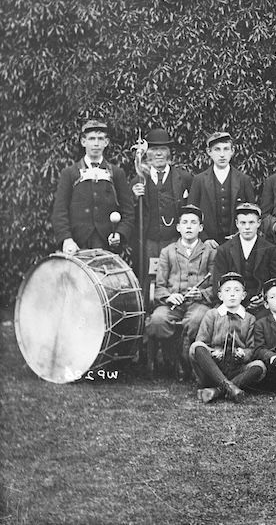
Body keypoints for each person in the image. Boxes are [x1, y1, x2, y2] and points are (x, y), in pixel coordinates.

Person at [148, 204, 216, 378]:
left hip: (198, 303)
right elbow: (160, 285)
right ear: (178, 227)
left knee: (196, 320)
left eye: (193, 223)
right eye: (184, 222)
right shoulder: (167, 252)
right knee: (157, 320)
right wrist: (170, 296)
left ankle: (189, 361)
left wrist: (201, 294)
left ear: (200, 228)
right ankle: (172, 358)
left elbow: (216, 286)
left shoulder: (210, 252)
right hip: (173, 304)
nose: (188, 226)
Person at [52, 120, 135, 254]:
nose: (96, 143)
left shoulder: (116, 174)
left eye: (100, 139)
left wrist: (119, 234)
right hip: (77, 244)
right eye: (91, 139)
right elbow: (59, 212)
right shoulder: (69, 173)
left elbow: (128, 212)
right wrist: (66, 239)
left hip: (106, 244)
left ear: (106, 142)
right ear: (83, 142)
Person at [130, 128, 194, 299]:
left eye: (163, 149)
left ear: (169, 153)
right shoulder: (138, 179)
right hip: (149, 241)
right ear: (147, 153)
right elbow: (129, 213)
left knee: (176, 277)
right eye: (153, 149)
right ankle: (150, 313)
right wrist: (135, 197)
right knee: (149, 279)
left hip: (174, 240)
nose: (158, 153)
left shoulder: (184, 178)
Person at [189, 272, 267, 403]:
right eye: (227, 290)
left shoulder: (250, 319)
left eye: (237, 290)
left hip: (236, 369)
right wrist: (213, 352)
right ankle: (228, 386)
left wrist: (243, 354)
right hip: (212, 369)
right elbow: (201, 341)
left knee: (260, 366)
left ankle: (217, 391)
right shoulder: (212, 314)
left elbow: (252, 348)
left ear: (243, 295)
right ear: (220, 295)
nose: (232, 294)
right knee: (196, 347)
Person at [212, 203, 276, 319]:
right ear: (237, 224)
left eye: (251, 222)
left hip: (261, 306)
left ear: (258, 223)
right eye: (243, 223)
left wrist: (264, 297)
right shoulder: (224, 249)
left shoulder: (270, 249)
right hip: (233, 303)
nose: (247, 227)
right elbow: (218, 284)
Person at [188, 131, 256, 247]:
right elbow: (191, 213)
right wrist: (205, 239)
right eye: (217, 149)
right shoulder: (199, 180)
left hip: (237, 243)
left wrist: (240, 234)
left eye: (226, 149)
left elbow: (252, 213)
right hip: (208, 245)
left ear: (232, 151)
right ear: (209, 152)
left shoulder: (243, 180)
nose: (222, 154)